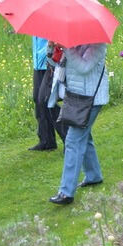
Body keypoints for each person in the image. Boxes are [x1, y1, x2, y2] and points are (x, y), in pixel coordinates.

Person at [48, 43, 109, 205]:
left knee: (73, 141)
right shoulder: (72, 40)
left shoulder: (98, 43)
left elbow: (84, 67)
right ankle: (93, 175)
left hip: (91, 99)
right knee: (84, 136)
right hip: (76, 96)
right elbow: (57, 65)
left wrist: (67, 48)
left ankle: (66, 192)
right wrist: (53, 49)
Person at [29, 36, 57, 151]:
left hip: (49, 63)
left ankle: (69, 138)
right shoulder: (34, 20)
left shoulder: (50, 19)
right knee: (38, 100)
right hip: (37, 64)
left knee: (47, 100)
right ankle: (46, 140)